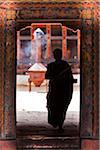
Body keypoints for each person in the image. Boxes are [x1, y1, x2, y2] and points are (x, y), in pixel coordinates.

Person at [45, 48, 74, 131]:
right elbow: (47, 76)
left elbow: (70, 78)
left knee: (60, 107)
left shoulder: (64, 66)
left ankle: (59, 124)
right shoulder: (59, 65)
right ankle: (57, 123)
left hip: (61, 90)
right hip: (57, 90)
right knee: (56, 107)